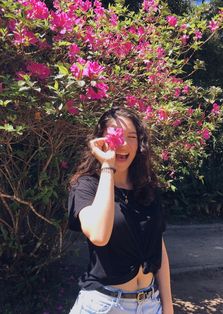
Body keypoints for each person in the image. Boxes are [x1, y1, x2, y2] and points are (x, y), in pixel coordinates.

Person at [68, 106, 173, 313]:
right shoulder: (86, 186)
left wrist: (168, 306)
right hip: (104, 305)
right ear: (100, 140)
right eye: (116, 135)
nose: (123, 143)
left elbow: (158, 246)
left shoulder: (146, 187)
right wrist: (108, 166)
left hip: (150, 304)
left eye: (132, 136)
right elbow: (98, 235)